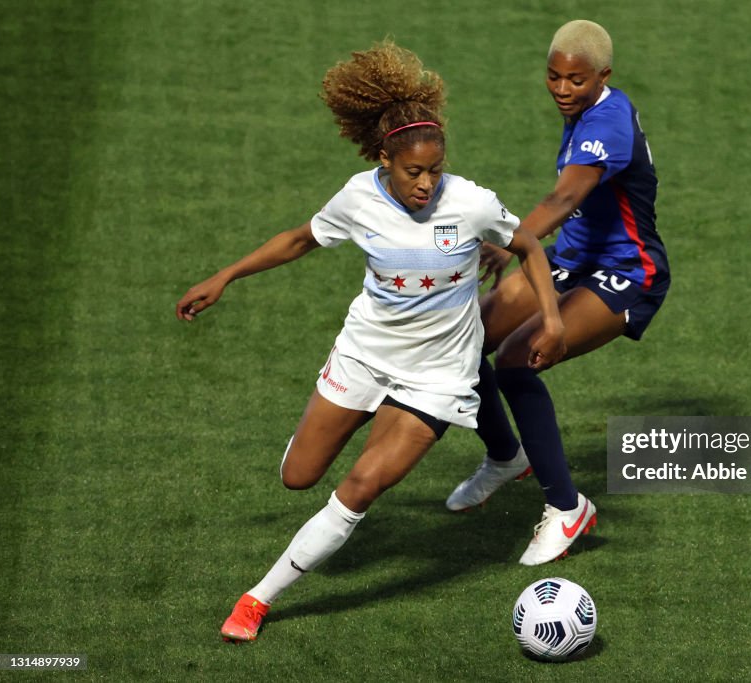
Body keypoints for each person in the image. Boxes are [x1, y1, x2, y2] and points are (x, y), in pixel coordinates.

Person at [175, 41, 565, 642]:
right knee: (299, 477)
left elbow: (529, 248)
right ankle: (366, 417)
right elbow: (299, 240)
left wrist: (552, 319)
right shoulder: (358, 197)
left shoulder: (471, 203)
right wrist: (224, 275)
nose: (427, 184)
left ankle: (256, 600)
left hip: (436, 380)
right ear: (385, 158)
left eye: (436, 169)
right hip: (364, 355)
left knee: (358, 489)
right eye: (414, 171)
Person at [444, 20, 670, 566]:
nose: (563, 89)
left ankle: (567, 508)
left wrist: (513, 237)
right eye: (553, 77)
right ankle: (504, 456)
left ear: (603, 76)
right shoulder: (583, 112)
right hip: (572, 257)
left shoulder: (609, 123)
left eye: (576, 79)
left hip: (626, 273)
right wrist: (516, 245)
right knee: (463, 338)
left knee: (518, 363)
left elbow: (566, 196)